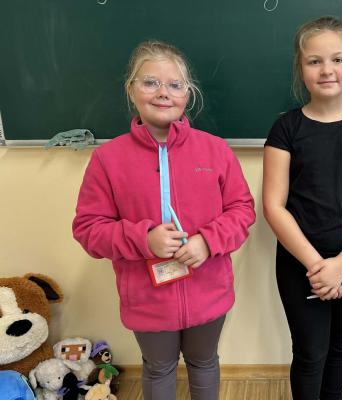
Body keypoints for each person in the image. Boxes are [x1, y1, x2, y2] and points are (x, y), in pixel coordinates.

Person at [72, 40, 255, 400]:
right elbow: (88, 229)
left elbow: (242, 210)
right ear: (131, 89)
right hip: (147, 298)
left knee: (204, 362)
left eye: (174, 84)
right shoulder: (108, 159)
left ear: (188, 93)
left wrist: (208, 241)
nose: (162, 92)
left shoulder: (215, 150)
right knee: (158, 368)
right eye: (150, 82)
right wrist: (144, 239)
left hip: (208, 291)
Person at [262, 16, 342, 400]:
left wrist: (341, 265)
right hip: (298, 264)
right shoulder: (286, 129)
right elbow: (274, 205)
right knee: (309, 352)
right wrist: (316, 266)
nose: (326, 70)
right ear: (300, 68)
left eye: (337, 59)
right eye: (314, 61)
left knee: (340, 346)